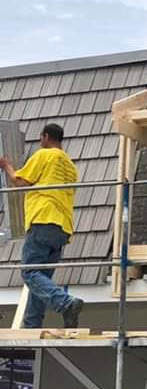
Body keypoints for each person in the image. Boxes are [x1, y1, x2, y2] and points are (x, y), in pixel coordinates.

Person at [0, 123, 83, 328]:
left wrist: (6, 166)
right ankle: (32, 324)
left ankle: (65, 303)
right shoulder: (70, 167)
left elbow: (19, 182)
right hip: (62, 228)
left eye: (41, 138)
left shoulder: (44, 155)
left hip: (43, 219)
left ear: (46, 137)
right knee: (41, 278)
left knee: (29, 272)